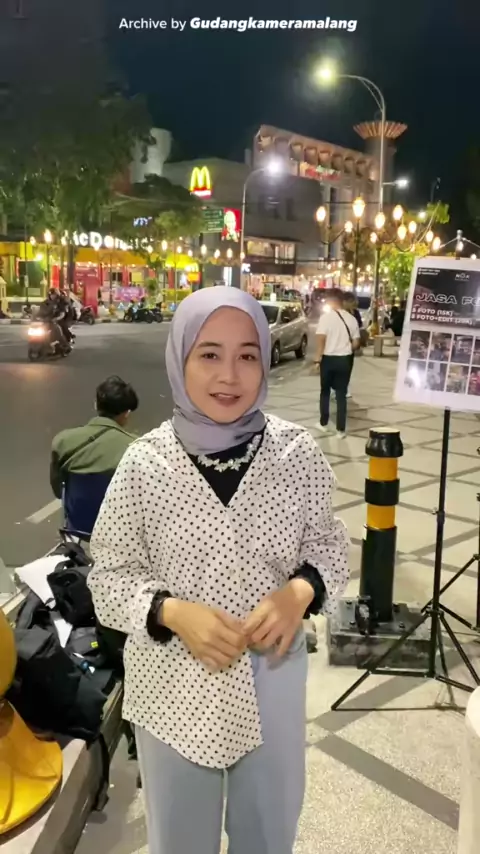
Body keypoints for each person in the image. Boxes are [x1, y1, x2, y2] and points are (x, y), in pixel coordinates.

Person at [88, 287, 349, 854]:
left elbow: (332, 546)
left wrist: (299, 592)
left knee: (268, 835)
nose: (229, 375)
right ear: (180, 359)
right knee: (180, 840)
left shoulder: (296, 454)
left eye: (247, 355)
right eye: (209, 354)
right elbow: (108, 577)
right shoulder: (144, 465)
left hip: (270, 680)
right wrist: (170, 612)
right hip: (172, 688)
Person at [50, 376, 138, 537]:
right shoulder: (137, 448)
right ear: (127, 413)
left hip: (78, 526)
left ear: (96, 404)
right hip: (120, 533)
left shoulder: (62, 441)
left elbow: (58, 491)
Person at [313, 288, 361, 438]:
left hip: (328, 359)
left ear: (331, 301)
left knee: (325, 392)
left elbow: (321, 340)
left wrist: (317, 359)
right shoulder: (351, 319)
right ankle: (341, 430)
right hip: (345, 359)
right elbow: (356, 342)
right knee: (341, 394)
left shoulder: (325, 318)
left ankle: (323, 423)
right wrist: (347, 348)